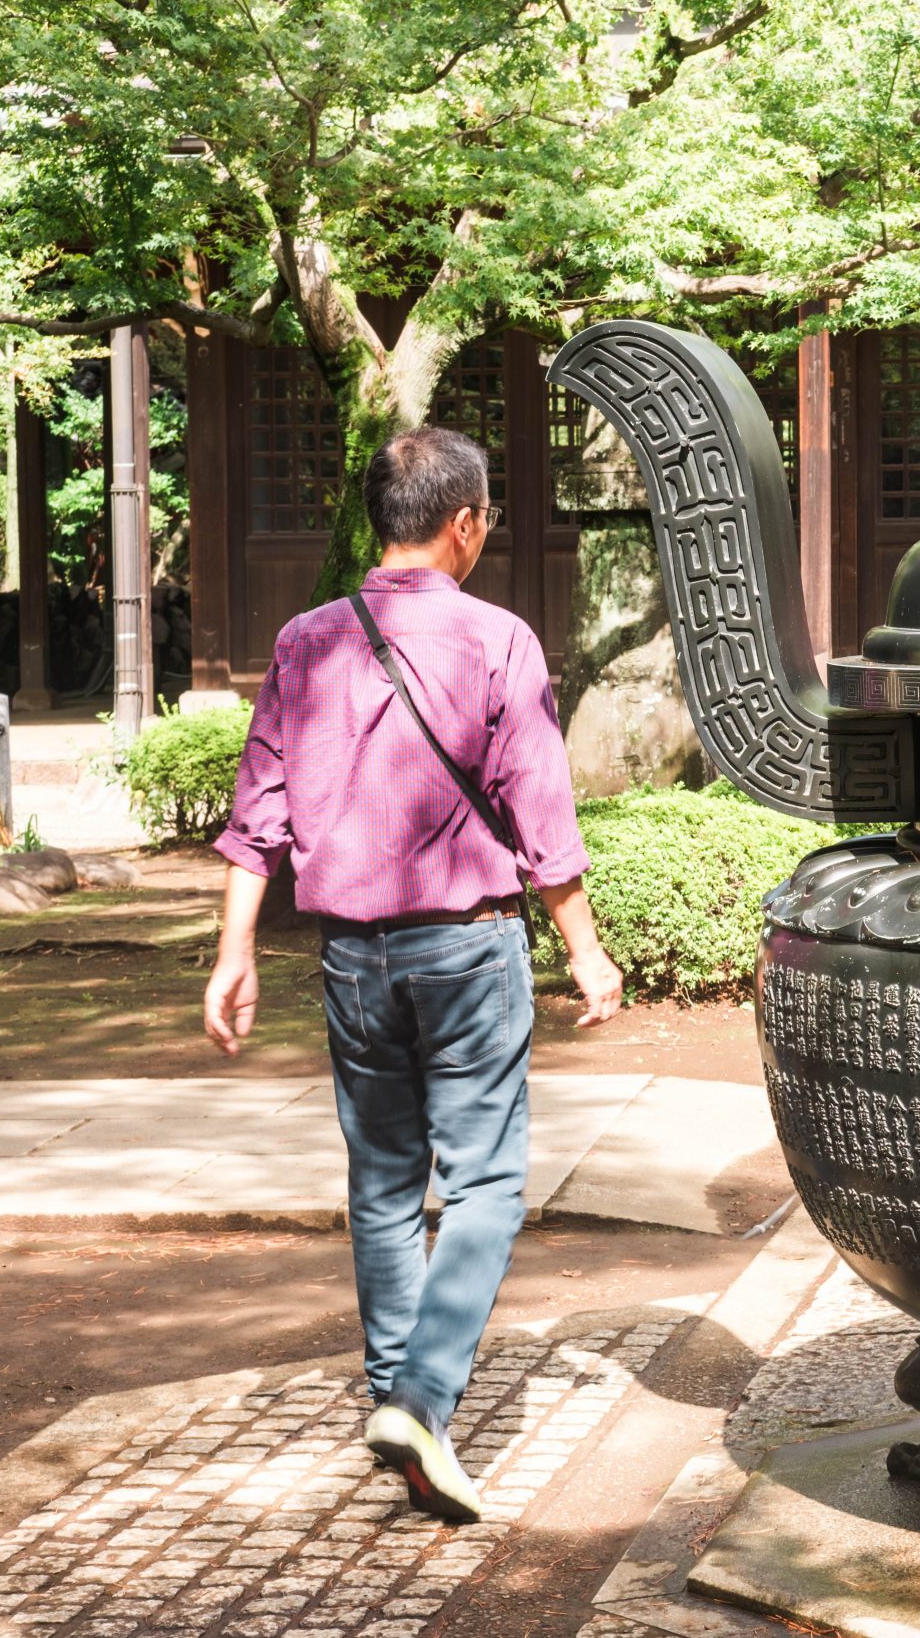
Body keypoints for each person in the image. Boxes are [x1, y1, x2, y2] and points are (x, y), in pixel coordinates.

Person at [200, 426, 625, 1524]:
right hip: (468, 946)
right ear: (464, 522)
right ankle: (424, 1399)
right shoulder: (497, 639)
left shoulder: (303, 642)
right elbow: (539, 805)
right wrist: (584, 948)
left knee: (383, 1188)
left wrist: (234, 952)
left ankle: (396, 1400)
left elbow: (262, 810)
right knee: (485, 1179)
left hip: (350, 955)